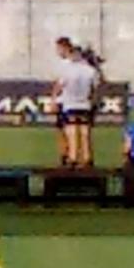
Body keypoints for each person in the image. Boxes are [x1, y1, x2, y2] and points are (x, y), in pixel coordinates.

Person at [52, 40, 100, 170]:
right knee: (85, 132)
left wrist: (54, 99)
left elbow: (59, 85)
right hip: (85, 104)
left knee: (72, 131)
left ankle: (72, 158)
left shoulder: (68, 70)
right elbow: (95, 88)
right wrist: (93, 102)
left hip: (70, 104)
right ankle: (87, 158)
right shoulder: (91, 70)